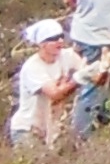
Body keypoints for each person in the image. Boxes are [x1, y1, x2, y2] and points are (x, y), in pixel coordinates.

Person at [10, 16, 87, 150]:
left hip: (49, 130)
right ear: (42, 44)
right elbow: (54, 94)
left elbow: (87, 70)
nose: (59, 41)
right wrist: (77, 79)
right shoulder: (33, 68)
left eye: (61, 37)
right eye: (53, 39)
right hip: (26, 129)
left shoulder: (67, 56)